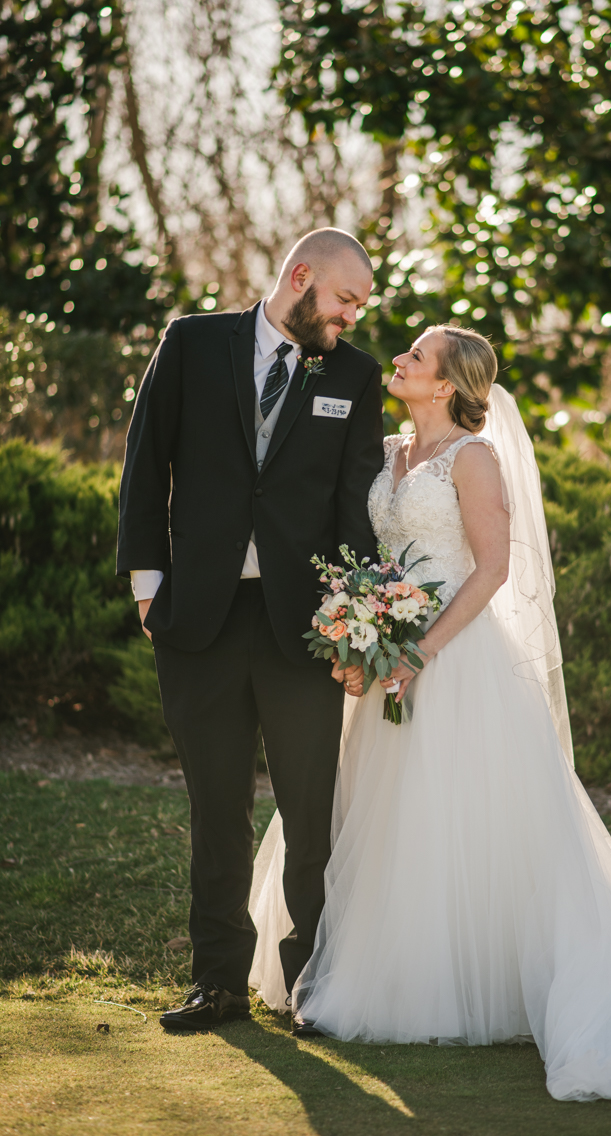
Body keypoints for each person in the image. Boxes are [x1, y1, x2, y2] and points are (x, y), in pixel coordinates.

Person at [249, 324, 611, 1101]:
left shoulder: (474, 459)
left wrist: (421, 649)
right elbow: (362, 549)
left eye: (415, 357)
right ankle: (367, 964)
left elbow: (494, 568)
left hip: (455, 656)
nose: (398, 361)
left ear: (446, 385)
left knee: (457, 816)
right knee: (374, 812)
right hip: (385, 653)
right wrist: (360, 626)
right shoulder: (385, 451)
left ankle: (465, 985)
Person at [116, 228, 384, 1032]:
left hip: (304, 625)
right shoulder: (192, 344)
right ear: (300, 277)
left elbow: (355, 502)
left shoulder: (356, 374)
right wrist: (146, 586)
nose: (349, 318)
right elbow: (144, 462)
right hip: (197, 616)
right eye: (344, 300)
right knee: (216, 804)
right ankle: (218, 983)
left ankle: (311, 985)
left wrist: (354, 619)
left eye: (359, 307)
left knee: (309, 812)